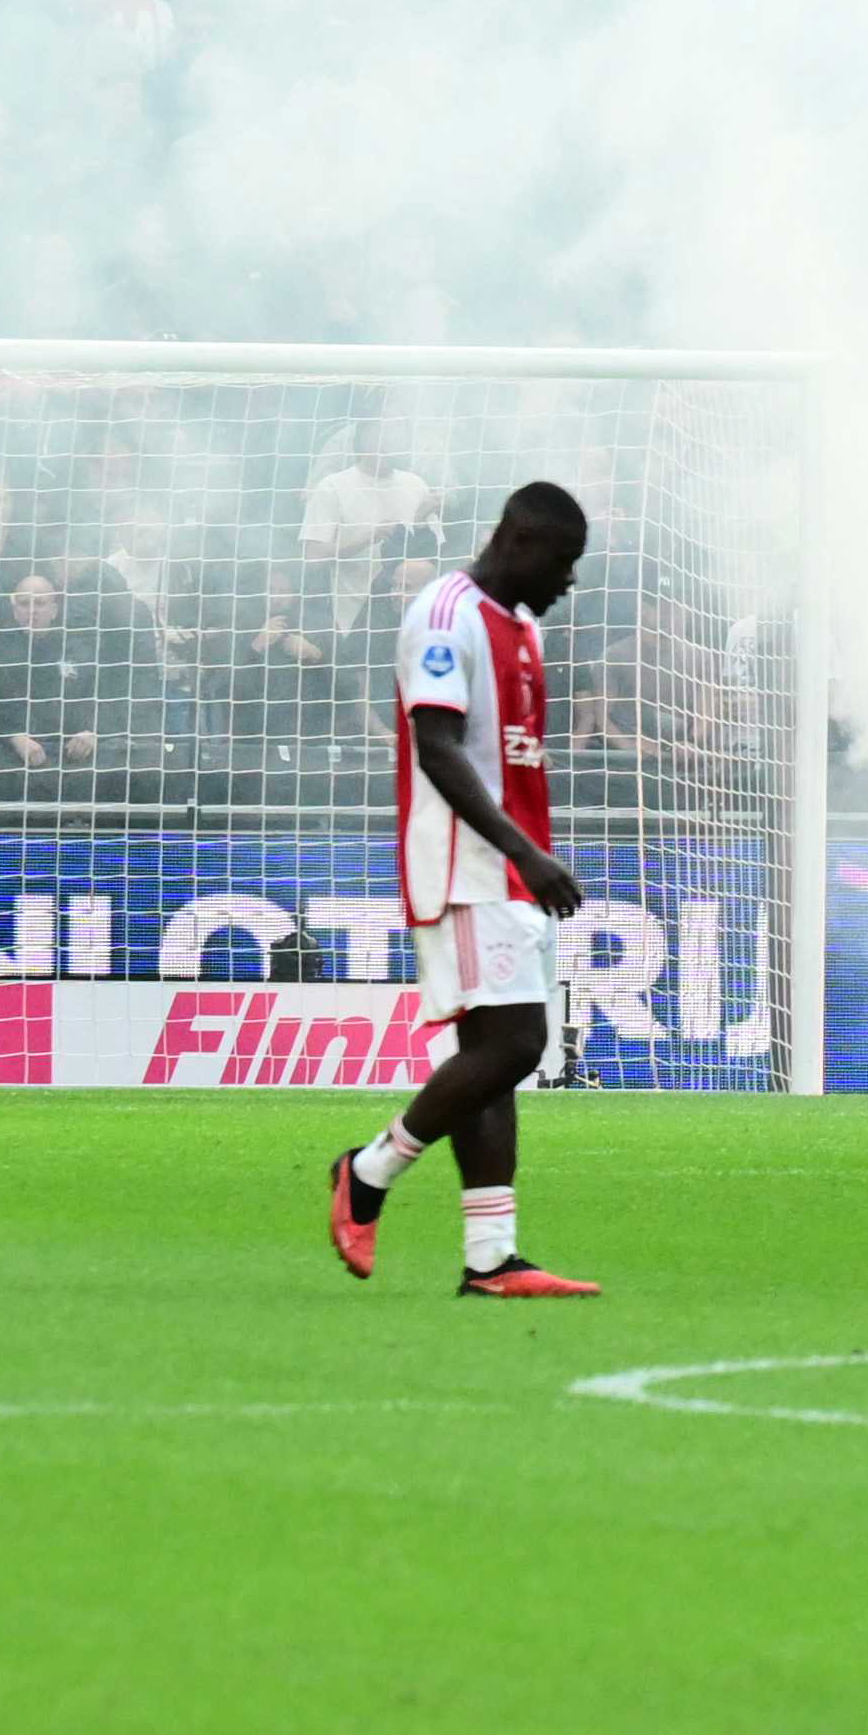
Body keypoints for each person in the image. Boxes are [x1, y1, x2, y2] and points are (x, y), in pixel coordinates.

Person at [324, 482, 603, 1300]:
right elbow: (439, 748)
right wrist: (525, 850)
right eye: (562, 561)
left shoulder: (522, 624)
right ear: (518, 541)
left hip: (507, 861)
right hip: (464, 863)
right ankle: (368, 1170)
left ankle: (492, 1257)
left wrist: (529, 850)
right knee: (516, 1043)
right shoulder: (444, 616)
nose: (569, 581)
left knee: (494, 1054)